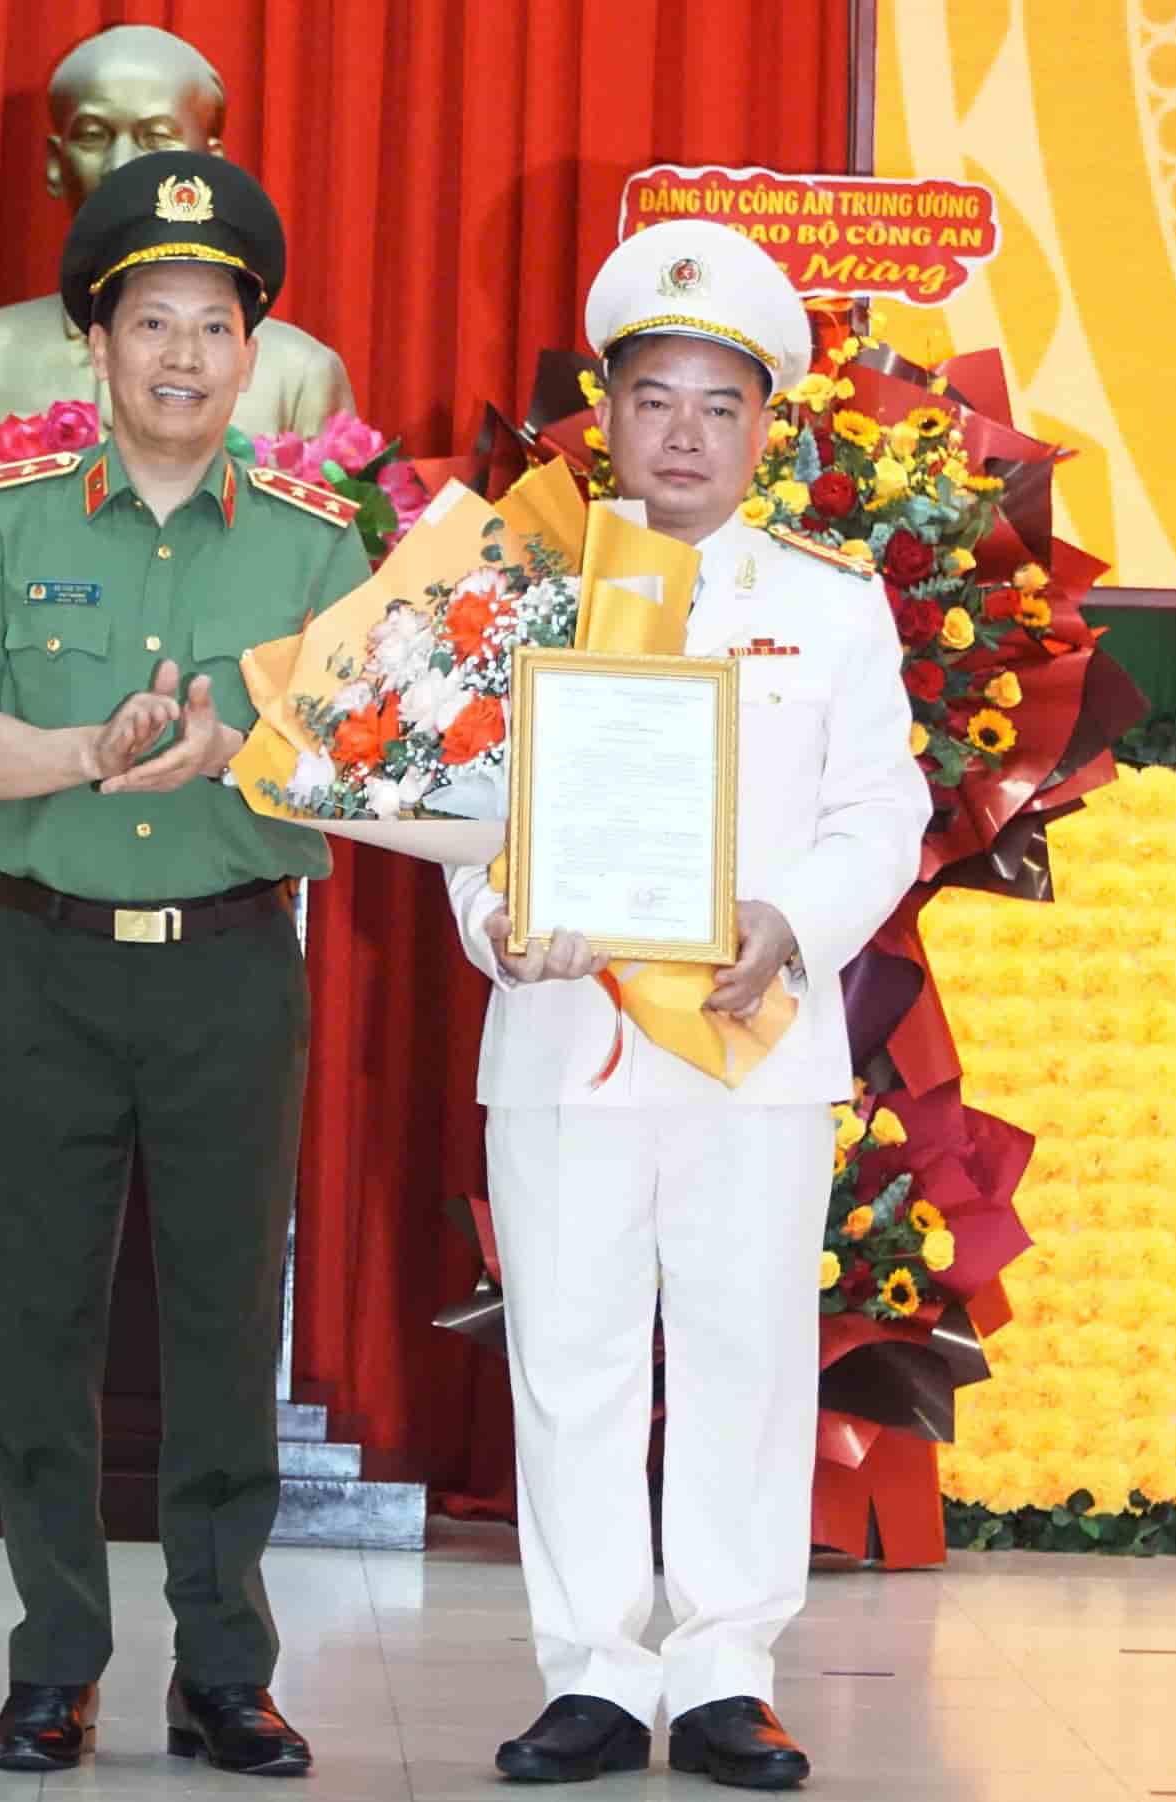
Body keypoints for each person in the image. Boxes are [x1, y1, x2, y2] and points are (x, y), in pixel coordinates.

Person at [0, 149, 373, 1780]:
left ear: (253, 354)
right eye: (151, 321)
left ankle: (225, 1673)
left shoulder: (316, 549)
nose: (183, 355)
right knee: (35, 1328)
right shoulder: (5, 524)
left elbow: (365, 766)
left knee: (227, 1332)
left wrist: (251, 748)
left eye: (214, 325)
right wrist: (86, 752)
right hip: (45, 973)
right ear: (93, 344)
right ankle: (55, 1664)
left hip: (232, 973)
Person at [445, 220, 932, 1789]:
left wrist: (795, 923)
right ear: (606, 413)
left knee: (746, 1353)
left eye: (720, 406)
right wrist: (496, 922)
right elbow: (460, 807)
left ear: (765, 425)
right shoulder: (528, 594)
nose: (683, 435)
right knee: (571, 1355)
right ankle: (593, 1673)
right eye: (653, 400)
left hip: (749, 1041)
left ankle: (726, 1671)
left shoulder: (830, 605)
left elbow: (883, 811)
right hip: (566, 1035)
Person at [0, 24, 354, 436]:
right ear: (55, 164)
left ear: (210, 163)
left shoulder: (299, 377)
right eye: (93, 136)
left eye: (156, 137)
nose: (120, 165)